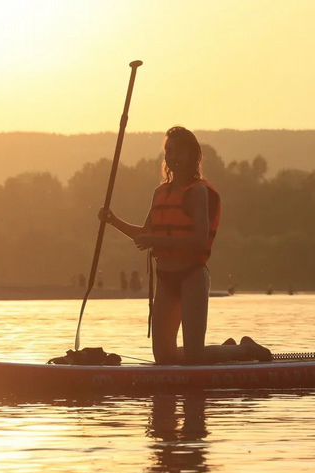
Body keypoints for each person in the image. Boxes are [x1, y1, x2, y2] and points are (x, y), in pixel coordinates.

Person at [99, 126, 271, 364]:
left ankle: (243, 350)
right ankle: (224, 350)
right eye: (168, 150)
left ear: (191, 155)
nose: (172, 156)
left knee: (194, 357)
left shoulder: (197, 192)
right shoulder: (160, 192)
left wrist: (155, 241)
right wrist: (113, 221)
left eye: (178, 151)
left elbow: (199, 240)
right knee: (164, 356)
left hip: (192, 276)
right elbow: (145, 234)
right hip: (166, 277)